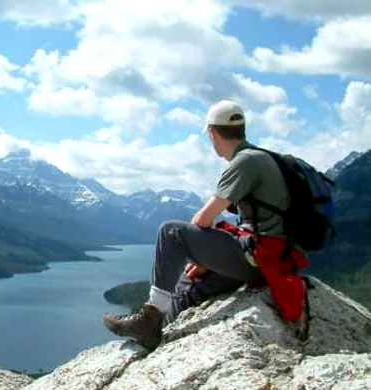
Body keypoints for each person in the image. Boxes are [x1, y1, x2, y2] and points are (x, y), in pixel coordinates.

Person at [103, 100, 292, 351]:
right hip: (272, 261)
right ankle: (160, 334)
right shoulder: (266, 158)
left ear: (213, 133)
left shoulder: (245, 162)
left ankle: (149, 321)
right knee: (189, 285)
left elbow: (203, 220)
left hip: (258, 258)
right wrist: (206, 258)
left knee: (170, 232)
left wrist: (199, 254)